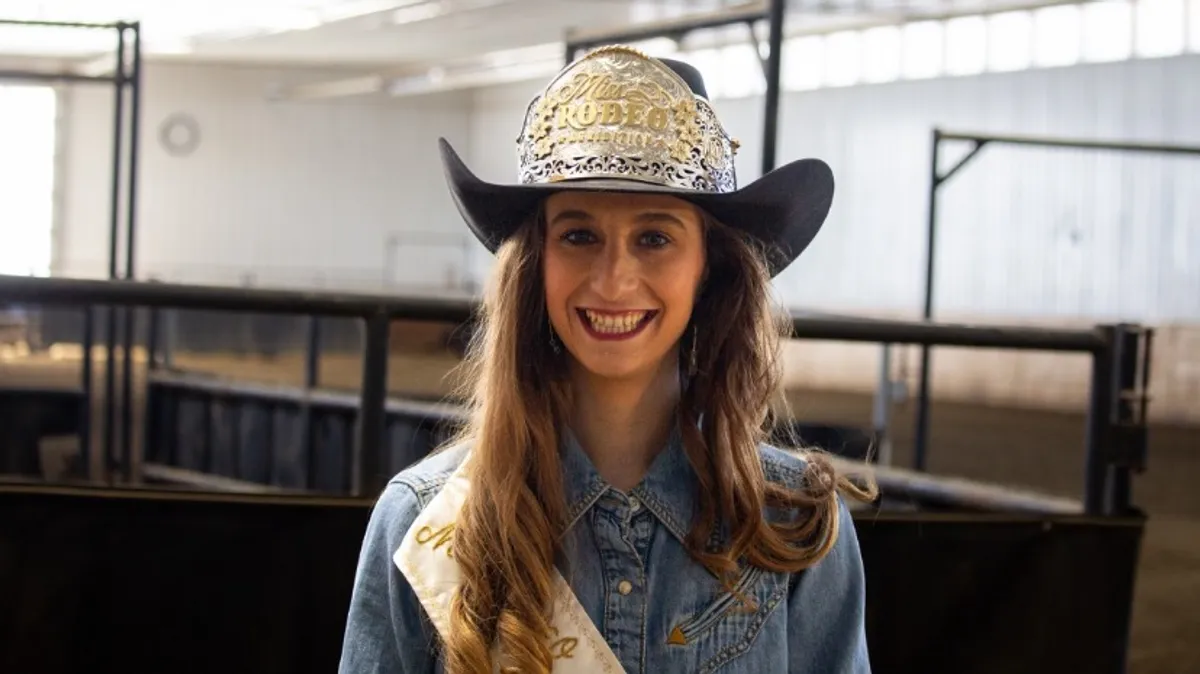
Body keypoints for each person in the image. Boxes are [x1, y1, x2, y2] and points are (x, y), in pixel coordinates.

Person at [339, 44, 877, 674]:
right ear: (538, 263)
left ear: (709, 269)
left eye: (654, 238)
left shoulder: (794, 531)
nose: (614, 280)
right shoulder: (423, 524)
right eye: (578, 235)